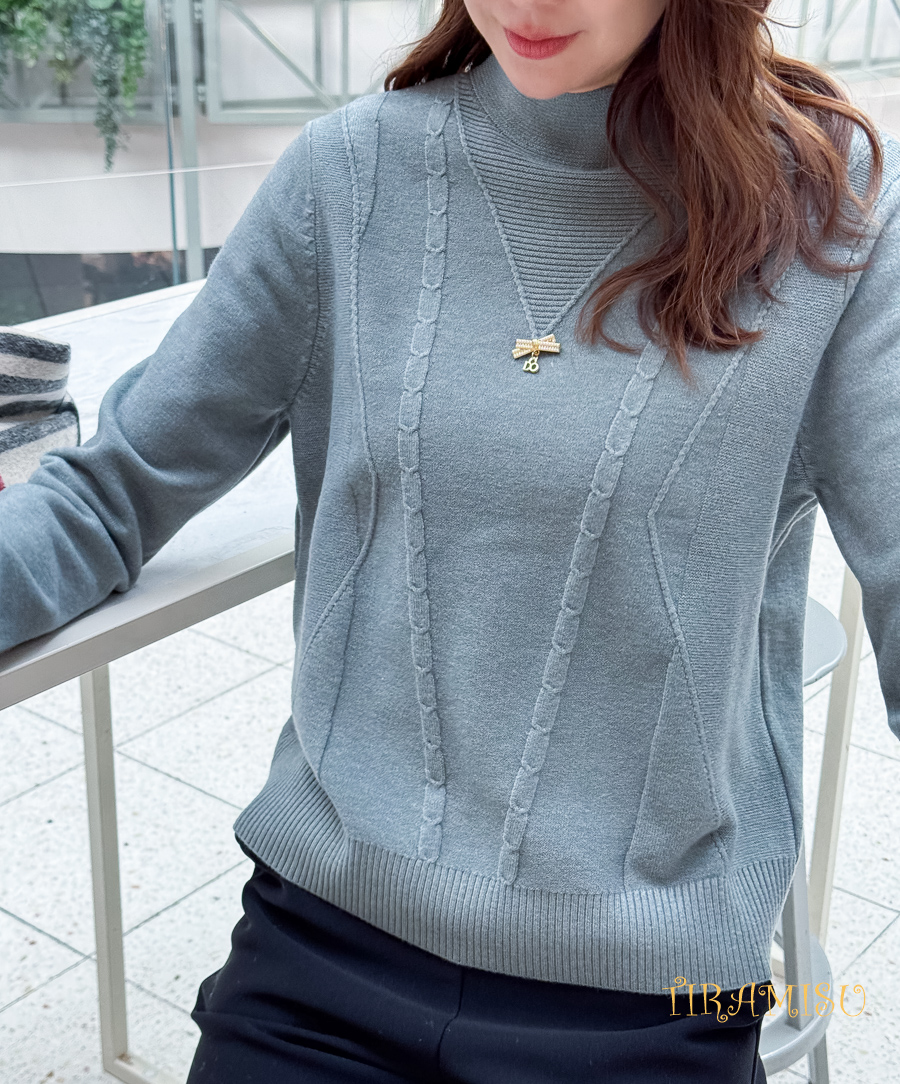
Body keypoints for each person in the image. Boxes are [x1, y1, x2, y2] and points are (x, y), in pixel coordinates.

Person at [2, 0, 898, 1079]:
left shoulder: (836, 213)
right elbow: (113, 492)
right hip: (322, 948)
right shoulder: (349, 176)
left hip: (650, 993)